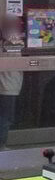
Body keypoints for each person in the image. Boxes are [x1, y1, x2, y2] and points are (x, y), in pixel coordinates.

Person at [0, 15, 24, 150]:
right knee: (5, 117)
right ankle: (1, 144)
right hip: (8, 85)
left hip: (7, 83)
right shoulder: (12, 40)